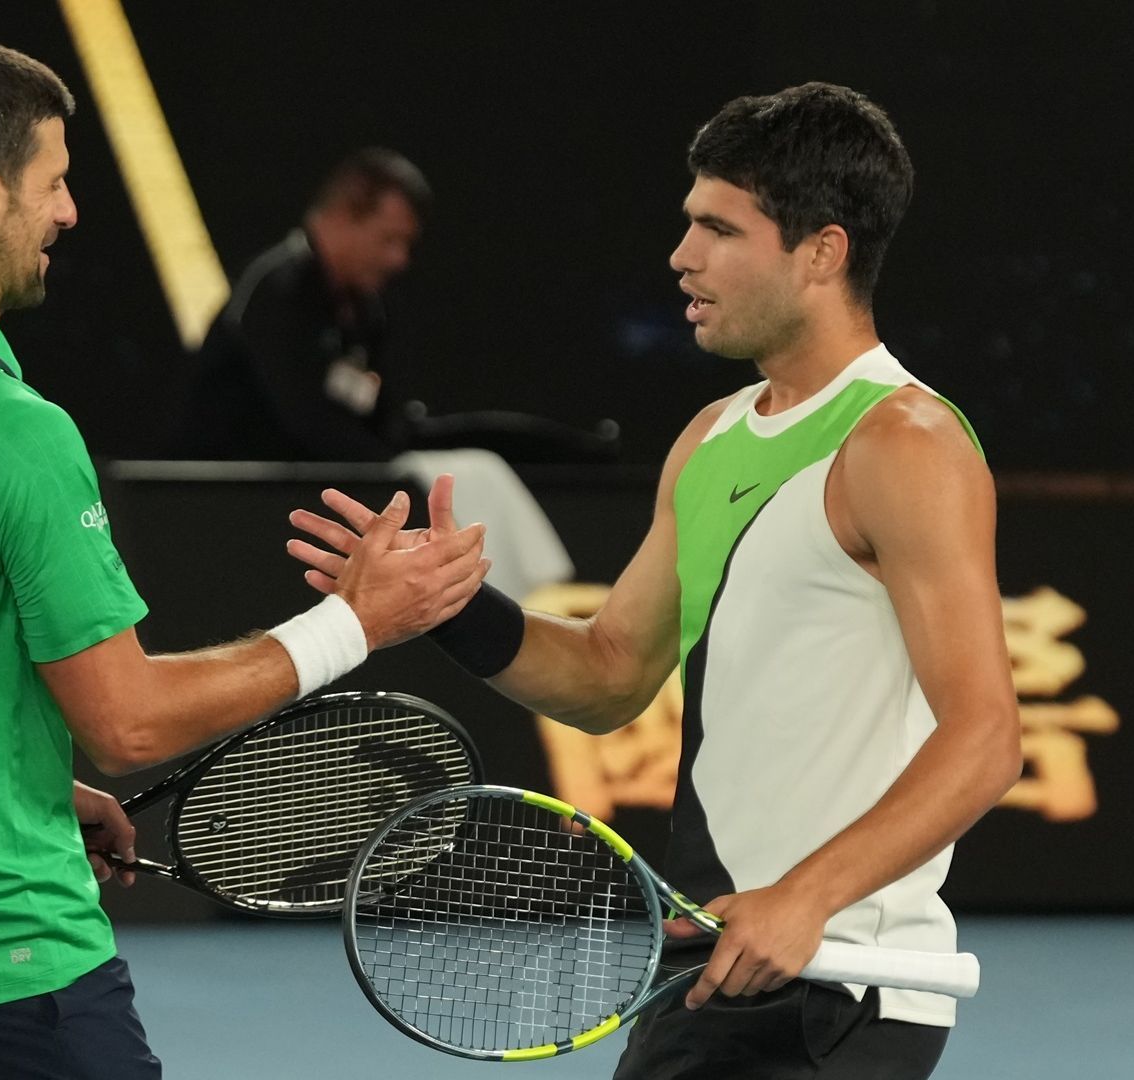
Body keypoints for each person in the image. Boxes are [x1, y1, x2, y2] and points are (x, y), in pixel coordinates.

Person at [0, 39, 486, 1079]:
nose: (70, 213)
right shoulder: (12, 432)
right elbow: (128, 717)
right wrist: (354, 623)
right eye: (54, 185)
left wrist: (40, 791)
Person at [289, 83, 1021, 1079]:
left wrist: (804, 897)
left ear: (823, 252)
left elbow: (983, 737)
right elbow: (607, 674)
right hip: (714, 966)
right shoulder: (711, 439)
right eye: (689, 226)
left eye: (720, 230)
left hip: (841, 986)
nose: (684, 257)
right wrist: (448, 608)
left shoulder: (905, 443)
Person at [178, 147, 428, 461]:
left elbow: (379, 420)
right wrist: (392, 467)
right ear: (342, 216)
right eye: (389, 240)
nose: (399, 259)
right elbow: (303, 420)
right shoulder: (275, 288)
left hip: (310, 496)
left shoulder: (366, 308)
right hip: (222, 499)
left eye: (406, 244)